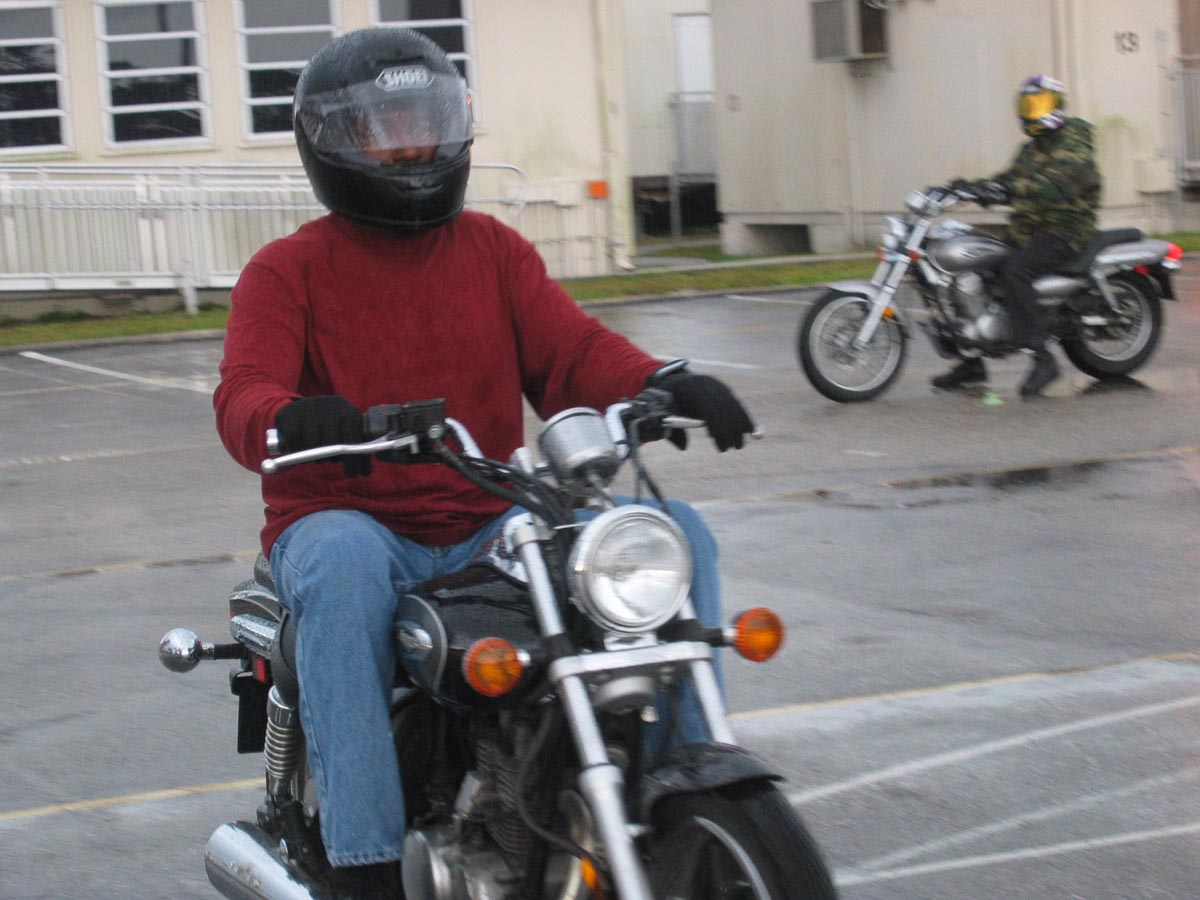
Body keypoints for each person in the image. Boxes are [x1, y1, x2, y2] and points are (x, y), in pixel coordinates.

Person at [212, 28, 754, 900]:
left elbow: (572, 352)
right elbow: (243, 395)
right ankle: (364, 865)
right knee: (343, 564)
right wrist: (288, 416)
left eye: (424, 123)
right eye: (386, 130)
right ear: (332, 142)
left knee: (668, 532)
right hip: (350, 523)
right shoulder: (288, 271)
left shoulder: (493, 252)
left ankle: (683, 795)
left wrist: (661, 381)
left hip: (491, 516)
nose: (412, 148)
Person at [933, 74, 1101, 398]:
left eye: (1040, 104)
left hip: (1066, 230)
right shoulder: (1031, 151)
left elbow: (1052, 185)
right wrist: (970, 189)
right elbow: (1008, 181)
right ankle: (971, 359)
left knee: (1016, 271)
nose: (1033, 111)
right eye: (1028, 105)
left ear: (1057, 105)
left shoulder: (1073, 145)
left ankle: (1042, 358)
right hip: (1029, 228)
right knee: (975, 267)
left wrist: (1009, 188)